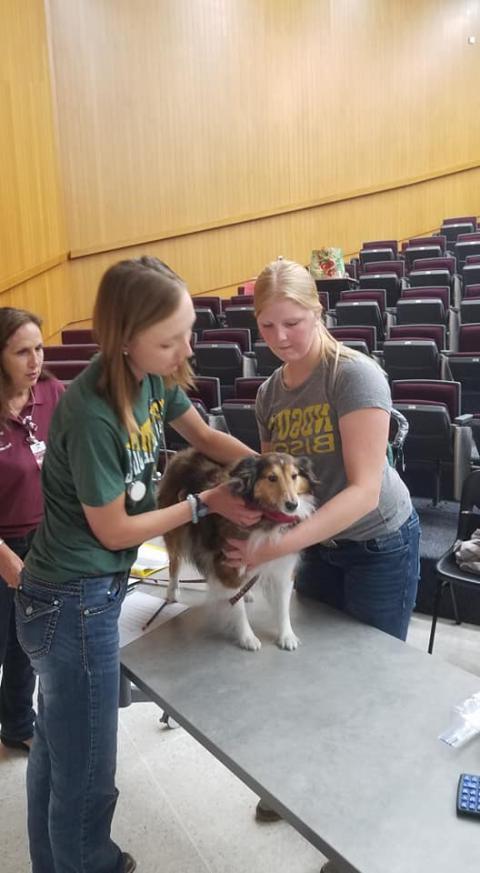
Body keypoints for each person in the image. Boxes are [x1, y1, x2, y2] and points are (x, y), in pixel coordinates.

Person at [16, 257, 260, 873]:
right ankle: (87, 862)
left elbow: (203, 437)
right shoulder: (93, 411)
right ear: (125, 338)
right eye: (168, 339)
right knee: (89, 770)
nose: (184, 350)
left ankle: (57, 861)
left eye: (188, 331)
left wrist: (264, 469)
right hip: (71, 601)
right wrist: (202, 503)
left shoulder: (152, 376)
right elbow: (116, 528)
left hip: (79, 592)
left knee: (59, 747)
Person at [224, 259, 420, 868]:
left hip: (377, 542)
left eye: (294, 321)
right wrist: (251, 527)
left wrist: (278, 546)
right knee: (311, 680)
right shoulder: (267, 392)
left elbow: (362, 490)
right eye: (268, 327)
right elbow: (275, 483)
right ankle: (304, 786)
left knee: (368, 691)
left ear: (319, 312)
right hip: (317, 545)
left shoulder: (354, 376)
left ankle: (359, 830)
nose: (282, 338)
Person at [0, 307, 64, 755]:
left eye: (39, 348)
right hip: (3, 544)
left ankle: (18, 723)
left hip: (45, 542)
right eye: (22, 351)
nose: (34, 360)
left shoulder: (53, 393)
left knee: (28, 645)